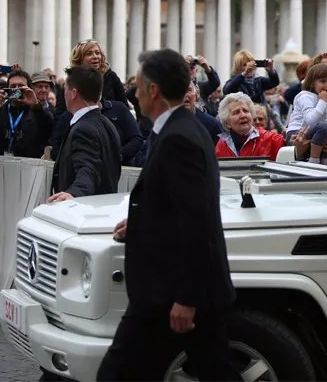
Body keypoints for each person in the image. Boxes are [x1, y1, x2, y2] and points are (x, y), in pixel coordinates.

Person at [98, 49, 236, 381]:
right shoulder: (180, 128)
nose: (134, 92)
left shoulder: (178, 138)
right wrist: (143, 221)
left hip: (172, 291)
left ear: (154, 90)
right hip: (170, 289)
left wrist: (187, 298)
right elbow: (176, 204)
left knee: (116, 374)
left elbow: (197, 221)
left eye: (138, 84)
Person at [48, 65, 122, 203]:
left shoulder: (83, 129)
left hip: (82, 209)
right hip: (105, 206)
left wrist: (74, 193)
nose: (63, 94)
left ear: (73, 93)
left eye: (65, 89)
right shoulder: (108, 124)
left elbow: (89, 169)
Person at [285, 63, 327, 164]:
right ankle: (314, 160)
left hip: (313, 130)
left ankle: (325, 159)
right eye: (323, 81)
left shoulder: (322, 98)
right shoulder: (305, 97)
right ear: (312, 83)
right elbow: (310, 120)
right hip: (297, 132)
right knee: (323, 126)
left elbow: (325, 121)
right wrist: (323, 102)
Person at [214, 92, 286, 161]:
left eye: (246, 111)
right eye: (236, 112)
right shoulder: (222, 145)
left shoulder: (271, 139)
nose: (243, 115)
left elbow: (289, 146)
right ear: (227, 123)